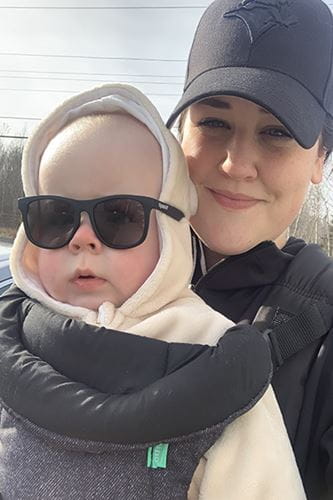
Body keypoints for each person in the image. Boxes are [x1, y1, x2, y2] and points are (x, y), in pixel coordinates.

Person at [0, 84, 305, 499]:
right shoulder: (13, 334)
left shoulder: (212, 354)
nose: (82, 239)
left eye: (119, 216)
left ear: (172, 226)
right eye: (56, 217)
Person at [166, 0, 333, 498]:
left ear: (321, 157)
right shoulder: (80, 273)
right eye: (213, 123)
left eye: (277, 132)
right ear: (180, 131)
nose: (237, 164)